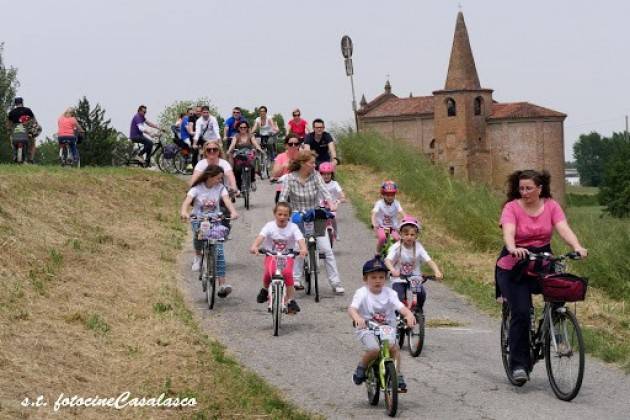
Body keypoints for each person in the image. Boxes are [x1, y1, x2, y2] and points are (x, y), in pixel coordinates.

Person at [496, 169, 587, 385]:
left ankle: (558, 332)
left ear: (540, 188)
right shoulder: (511, 208)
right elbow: (508, 232)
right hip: (514, 266)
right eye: (521, 188)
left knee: (559, 290)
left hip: (543, 260)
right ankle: (518, 364)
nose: (524, 192)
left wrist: (577, 246)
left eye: (529, 188)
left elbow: (563, 228)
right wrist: (513, 248)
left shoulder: (551, 206)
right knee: (521, 312)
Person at [278, 150, 344, 294]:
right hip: (297, 215)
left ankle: (335, 283)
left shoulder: (316, 176)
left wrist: (331, 204)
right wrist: (283, 213)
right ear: (302, 163)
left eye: (315, 162)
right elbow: (283, 198)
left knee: (327, 249)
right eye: (312, 163)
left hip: (314, 214)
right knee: (297, 248)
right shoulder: (289, 178)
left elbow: (325, 191)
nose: (315, 165)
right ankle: (296, 279)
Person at [348, 256, 416, 392]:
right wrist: (357, 317)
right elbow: (352, 308)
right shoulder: (362, 293)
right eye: (373, 277)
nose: (377, 280)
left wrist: (408, 314)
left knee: (394, 348)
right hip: (367, 327)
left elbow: (400, 307)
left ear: (386, 278)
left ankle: (397, 375)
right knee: (374, 349)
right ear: (365, 279)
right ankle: (362, 366)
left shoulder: (390, 293)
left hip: (387, 328)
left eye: (381, 277)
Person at [180, 165, 240, 298]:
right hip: (199, 219)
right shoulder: (196, 189)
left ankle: (222, 284)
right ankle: (198, 255)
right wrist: (184, 212)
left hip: (215, 221)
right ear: (210, 176)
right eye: (218, 178)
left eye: (221, 178)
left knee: (219, 251)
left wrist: (233, 211)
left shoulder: (220, 188)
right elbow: (186, 202)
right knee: (199, 236)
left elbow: (227, 201)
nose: (220, 181)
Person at [250, 202, 308, 314]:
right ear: (275, 214)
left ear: (289, 216)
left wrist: (303, 249)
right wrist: (255, 246)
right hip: (271, 255)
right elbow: (261, 237)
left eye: (285, 215)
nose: (282, 217)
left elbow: (300, 239)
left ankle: (291, 300)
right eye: (280, 214)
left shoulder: (293, 227)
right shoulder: (269, 226)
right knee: (268, 273)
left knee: (287, 274)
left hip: (287, 256)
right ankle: (265, 289)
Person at [384, 215, 443, 313]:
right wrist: (393, 270)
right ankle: (398, 316)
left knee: (421, 294)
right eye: (406, 234)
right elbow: (388, 260)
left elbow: (429, 261)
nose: (409, 237)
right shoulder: (396, 247)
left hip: (414, 277)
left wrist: (437, 271)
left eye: (412, 235)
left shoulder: (419, 247)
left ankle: (419, 309)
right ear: (401, 235)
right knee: (398, 296)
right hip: (399, 277)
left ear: (416, 236)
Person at [227, 120, 263, 192]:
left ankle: (252, 181)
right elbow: (233, 144)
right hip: (239, 155)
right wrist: (229, 151)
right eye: (241, 127)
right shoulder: (236, 136)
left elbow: (255, 143)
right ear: (238, 128)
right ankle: (239, 188)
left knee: (252, 165)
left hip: (249, 155)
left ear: (247, 128)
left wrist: (259, 149)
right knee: (237, 170)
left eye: (245, 127)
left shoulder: (250, 135)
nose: (243, 129)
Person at [371, 181, 405, 254]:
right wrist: (374, 224)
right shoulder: (379, 203)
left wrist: (408, 221)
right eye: (387, 195)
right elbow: (373, 214)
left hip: (392, 228)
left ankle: (394, 254)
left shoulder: (396, 203)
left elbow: (403, 213)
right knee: (382, 238)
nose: (390, 197)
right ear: (383, 194)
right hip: (381, 227)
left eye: (392, 194)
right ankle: (377, 253)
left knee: (398, 239)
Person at [318, 161, 346, 239]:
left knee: (333, 218)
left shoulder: (335, 184)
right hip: (320, 205)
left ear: (332, 174)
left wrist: (342, 198)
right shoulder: (318, 183)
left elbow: (341, 193)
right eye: (324, 174)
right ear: (320, 174)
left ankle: (336, 233)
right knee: (318, 219)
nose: (326, 176)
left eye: (328, 174)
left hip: (332, 205)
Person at [6, 97, 39, 163]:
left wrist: (9, 131)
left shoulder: (11, 113)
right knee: (32, 143)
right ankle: (31, 159)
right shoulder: (28, 110)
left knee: (12, 140)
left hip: (16, 134)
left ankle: (15, 153)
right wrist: (32, 131)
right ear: (22, 103)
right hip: (26, 133)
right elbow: (34, 121)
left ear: (15, 104)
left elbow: (8, 124)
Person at [271, 133, 302, 202]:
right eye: (290, 144)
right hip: (283, 189)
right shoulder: (280, 156)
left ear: (299, 145)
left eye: (296, 144)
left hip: (301, 189)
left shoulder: (303, 156)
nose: (293, 146)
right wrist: (283, 166)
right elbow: (274, 174)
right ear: (286, 145)